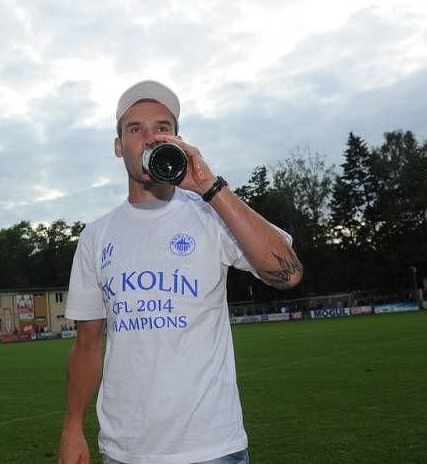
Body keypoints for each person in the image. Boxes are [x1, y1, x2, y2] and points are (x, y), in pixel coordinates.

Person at [58, 80, 303, 464]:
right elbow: (87, 343)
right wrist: (73, 427)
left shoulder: (210, 213)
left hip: (212, 449)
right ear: (119, 145)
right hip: (125, 452)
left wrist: (208, 186)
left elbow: (286, 274)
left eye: (163, 127)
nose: (150, 137)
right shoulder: (96, 235)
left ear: (177, 139)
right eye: (135, 128)